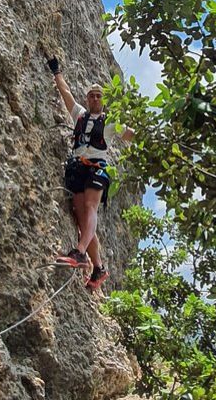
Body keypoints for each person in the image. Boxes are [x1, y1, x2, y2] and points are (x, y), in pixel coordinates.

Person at [47, 56, 134, 289]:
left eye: (99, 96)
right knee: (80, 217)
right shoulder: (80, 115)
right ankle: (99, 268)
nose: (95, 98)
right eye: (92, 95)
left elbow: (132, 135)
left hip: (97, 168)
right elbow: (65, 93)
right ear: (88, 99)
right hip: (78, 167)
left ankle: (79, 252)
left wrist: (153, 137)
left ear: (103, 100)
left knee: (90, 208)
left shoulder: (110, 123)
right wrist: (57, 71)